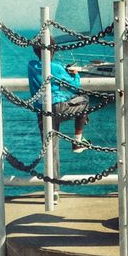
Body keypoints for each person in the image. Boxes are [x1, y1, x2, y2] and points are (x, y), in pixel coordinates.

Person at [27, 55, 90, 187]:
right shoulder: (56, 67)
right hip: (57, 108)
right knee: (84, 100)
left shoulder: (31, 65)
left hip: (41, 110)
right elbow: (75, 87)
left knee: (50, 149)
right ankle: (77, 141)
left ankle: (53, 189)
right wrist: (75, 74)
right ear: (53, 51)